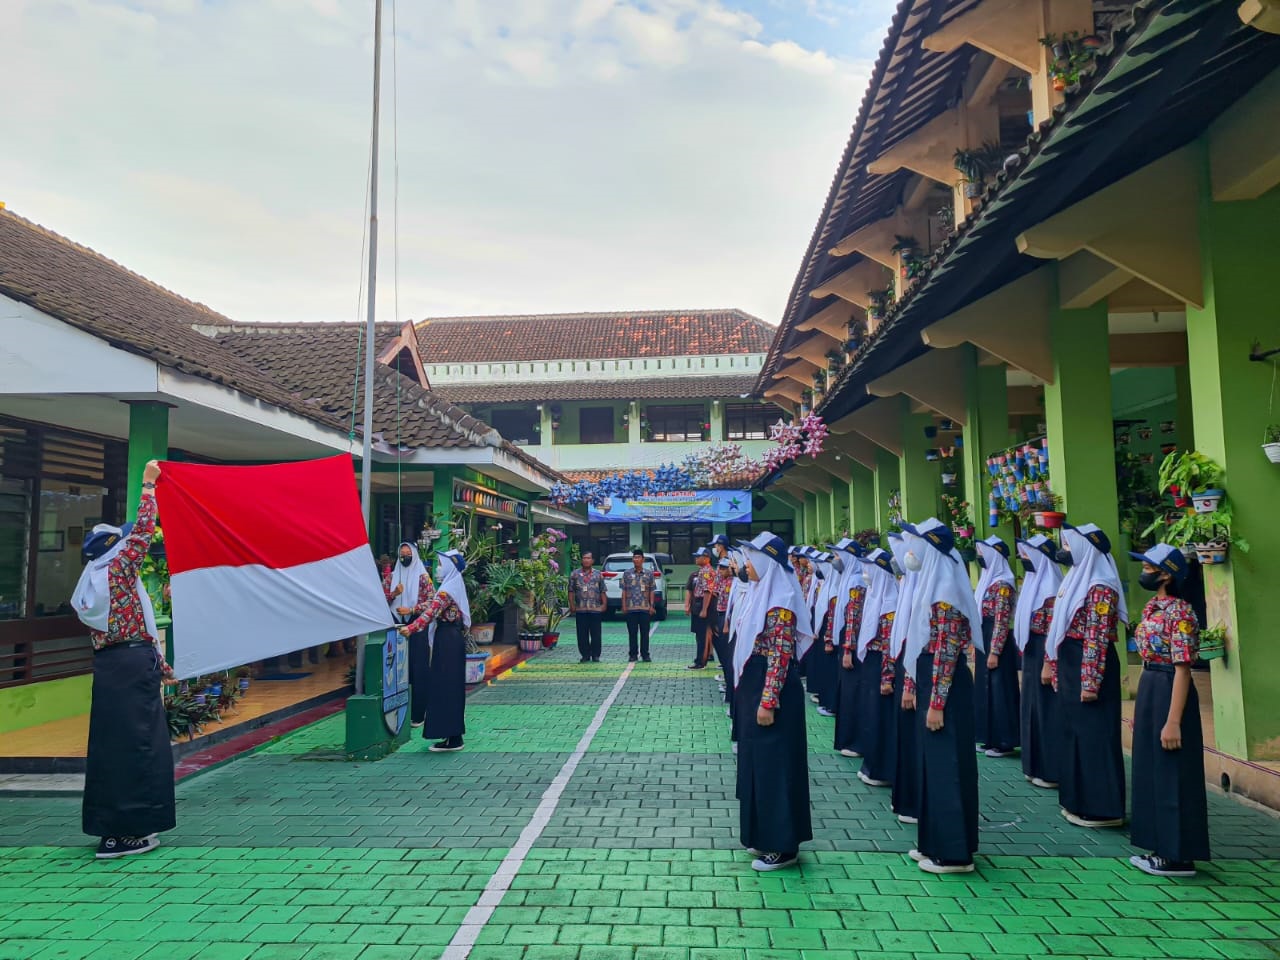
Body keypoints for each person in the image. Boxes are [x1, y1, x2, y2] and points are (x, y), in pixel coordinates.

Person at [73, 460, 175, 860]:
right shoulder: (118, 570)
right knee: (142, 746)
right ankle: (132, 832)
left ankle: (110, 831)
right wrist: (149, 487)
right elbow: (144, 533)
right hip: (133, 669)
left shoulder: (91, 583)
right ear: (114, 548)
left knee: (110, 748)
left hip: (110, 669)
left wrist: (161, 665)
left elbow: (124, 632)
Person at [900, 519, 981, 875]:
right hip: (930, 678)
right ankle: (935, 842)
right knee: (933, 764)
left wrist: (936, 702)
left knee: (948, 765)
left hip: (943, 683)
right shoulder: (931, 584)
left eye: (916, 544)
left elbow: (947, 652)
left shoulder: (945, 590)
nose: (910, 552)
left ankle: (954, 853)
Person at [1127, 544, 1210, 877]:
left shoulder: (1181, 613)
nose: (1143, 571)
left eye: (1148, 567)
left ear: (1166, 574)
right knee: (1151, 768)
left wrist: (1173, 721)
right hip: (1150, 685)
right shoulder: (1154, 607)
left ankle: (1178, 855)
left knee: (1173, 771)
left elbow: (1183, 669)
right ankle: (1159, 848)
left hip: (1169, 688)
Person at [733, 532, 814, 871]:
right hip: (756, 683)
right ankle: (761, 834)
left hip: (773, 689)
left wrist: (768, 700)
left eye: (751, 559)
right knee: (757, 762)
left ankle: (783, 846)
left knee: (776, 765)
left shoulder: (780, 602)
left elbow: (781, 655)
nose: (746, 565)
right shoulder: (759, 594)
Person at [1043, 523, 1128, 828]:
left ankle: (1103, 808)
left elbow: (1097, 637)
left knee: (1095, 736)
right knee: (1073, 732)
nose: (1064, 550)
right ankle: (1077, 800)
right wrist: (1053, 666)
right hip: (1070, 662)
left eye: (1068, 545)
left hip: (1090, 664)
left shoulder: (1101, 585)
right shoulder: (1076, 580)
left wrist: (1090, 682)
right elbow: (1059, 629)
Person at [398, 549, 471, 752]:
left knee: (445, 686)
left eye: (440, 564)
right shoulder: (452, 587)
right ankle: (452, 735)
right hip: (450, 640)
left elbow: (431, 612)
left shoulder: (447, 592)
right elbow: (431, 607)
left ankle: (453, 738)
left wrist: (410, 629)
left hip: (447, 641)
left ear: (449, 566)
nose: (437, 568)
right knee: (448, 686)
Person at [1014, 536, 1062, 789]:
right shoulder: (1032, 584)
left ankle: (1051, 768)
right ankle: (1033, 765)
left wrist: (1048, 662)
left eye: (1027, 553)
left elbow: (1053, 629)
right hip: (1031, 651)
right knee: (1031, 708)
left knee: (1047, 712)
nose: (1023, 559)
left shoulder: (1052, 586)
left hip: (1044, 652)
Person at [853, 548, 899, 787]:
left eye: (869, 568)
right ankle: (871, 764)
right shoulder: (874, 595)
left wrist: (888, 677)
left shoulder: (890, 601)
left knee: (882, 719)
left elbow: (890, 645)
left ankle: (882, 769)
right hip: (871, 663)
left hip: (882, 667)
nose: (865, 573)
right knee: (871, 715)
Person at [973, 536, 1019, 758]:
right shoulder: (987, 580)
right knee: (985, 688)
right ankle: (988, 737)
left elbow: (1002, 620)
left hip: (996, 639)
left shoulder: (1003, 584)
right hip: (984, 635)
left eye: (983, 552)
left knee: (1000, 690)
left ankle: (1004, 740)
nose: (980, 556)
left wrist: (995, 651)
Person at [886, 533, 920, 825]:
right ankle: (908, 798)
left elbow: (921, 642)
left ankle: (918, 803)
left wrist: (910, 684)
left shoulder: (933, 590)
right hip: (909, 672)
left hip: (925, 679)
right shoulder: (909, 585)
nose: (899, 561)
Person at [384, 542, 435, 728]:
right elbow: (379, 599)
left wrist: (412, 609)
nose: (405, 557)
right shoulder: (392, 577)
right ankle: (396, 710)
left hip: (416, 627)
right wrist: (393, 594)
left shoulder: (423, 578)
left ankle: (419, 713)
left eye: (408, 554)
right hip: (396, 626)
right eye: (402, 554)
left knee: (418, 669)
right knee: (397, 669)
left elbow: (432, 602)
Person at [829, 540, 866, 754]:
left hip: (851, 640)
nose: (835, 560)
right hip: (847, 638)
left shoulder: (856, 581)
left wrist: (848, 649)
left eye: (837, 556)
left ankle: (854, 740)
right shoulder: (848, 579)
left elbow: (853, 617)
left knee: (853, 691)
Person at [810, 550, 842, 717]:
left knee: (831, 671)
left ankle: (831, 703)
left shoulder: (835, 590)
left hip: (829, 635)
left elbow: (832, 616)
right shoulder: (828, 585)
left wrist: (829, 639)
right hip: (823, 632)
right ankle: (826, 700)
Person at [568, 551, 606, 663]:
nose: (586, 560)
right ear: (581, 560)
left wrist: (604, 604)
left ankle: (596, 655)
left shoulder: (598, 574)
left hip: (595, 609)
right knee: (582, 634)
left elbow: (603, 590)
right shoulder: (574, 574)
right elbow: (571, 591)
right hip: (581, 609)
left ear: (592, 561)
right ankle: (585, 655)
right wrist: (571, 604)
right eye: (584, 558)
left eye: (588, 558)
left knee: (596, 634)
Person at [621, 548, 655, 663]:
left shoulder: (649, 574)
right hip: (631, 608)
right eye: (635, 557)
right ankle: (633, 654)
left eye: (639, 557)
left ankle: (645, 654)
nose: (636, 559)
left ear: (643, 559)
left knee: (645, 633)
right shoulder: (627, 574)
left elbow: (651, 590)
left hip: (645, 608)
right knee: (632, 633)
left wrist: (651, 606)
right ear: (632, 559)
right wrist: (624, 606)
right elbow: (624, 591)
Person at [710, 557, 735, 709]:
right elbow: (716, 594)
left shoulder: (733, 583)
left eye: (723, 568)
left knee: (728, 657)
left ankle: (731, 691)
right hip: (720, 616)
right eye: (719, 567)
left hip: (727, 618)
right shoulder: (724, 581)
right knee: (724, 657)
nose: (720, 570)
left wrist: (725, 623)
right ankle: (728, 686)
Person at [686, 548, 715, 669]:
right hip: (697, 604)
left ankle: (701, 662)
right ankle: (699, 659)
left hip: (703, 604)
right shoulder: (702, 571)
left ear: (706, 557)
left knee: (703, 635)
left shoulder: (707, 571)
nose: (696, 558)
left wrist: (704, 609)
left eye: (699, 556)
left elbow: (708, 592)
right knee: (699, 634)